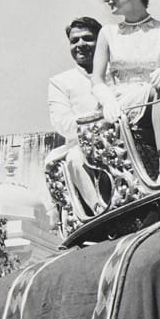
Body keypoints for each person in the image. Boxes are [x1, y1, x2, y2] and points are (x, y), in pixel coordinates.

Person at [89, 0, 160, 182]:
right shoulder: (107, 33)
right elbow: (97, 80)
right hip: (119, 104)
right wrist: (108, 100)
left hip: (156, 100)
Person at [46, 17, 105, 215]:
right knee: (74, 159)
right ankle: (99, 211)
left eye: (87, 39)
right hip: (82, 145)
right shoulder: (60, 82)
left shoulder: (115, 72)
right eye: (75, 40)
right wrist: (101, 119)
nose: (80, 45)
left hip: (122, 138)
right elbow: (63, 123)